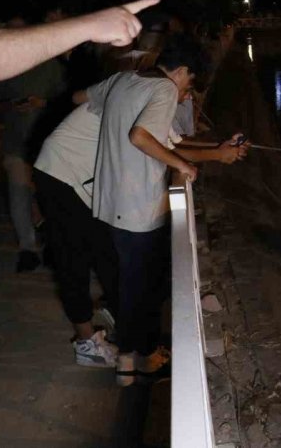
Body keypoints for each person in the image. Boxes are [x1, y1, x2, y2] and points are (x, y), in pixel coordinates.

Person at [34, 69, 247, 369]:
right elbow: (153, 144)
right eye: (188, 90)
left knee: (109, 256)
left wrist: (219, 149)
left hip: (84, 178)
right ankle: (87, 341)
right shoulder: (156, 91)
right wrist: (217, 155)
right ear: (180, 72)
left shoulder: (135, 85)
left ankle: (127, 334)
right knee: (75, 259)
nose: (186, 98)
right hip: (62, 170)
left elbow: (169, 144)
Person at [90, 34, 212, 385]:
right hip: (139, 206)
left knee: (133, 282)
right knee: (139, 288)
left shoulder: (123, 79)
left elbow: (82, 98)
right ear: (183, 71)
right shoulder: (164, 91)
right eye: (190, 80)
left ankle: (136, 357)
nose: (187, 89)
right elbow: (141, 136)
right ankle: (131, 361)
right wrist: (182, 166)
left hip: (109, 201)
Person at [0, 14, 69, 271]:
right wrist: (9, 105)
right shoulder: (4, 65)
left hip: (46, 145)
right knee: (18, 195)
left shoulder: (50, 66)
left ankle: (51, 246)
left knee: (46, 197)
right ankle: (27, 248)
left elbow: (68, 102)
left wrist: (41, 103)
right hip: (16, 142)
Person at [0, 0, 159, 81]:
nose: (48, 21)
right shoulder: (47, 55)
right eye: (47, 18)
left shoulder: (88, 47)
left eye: (53, 16)